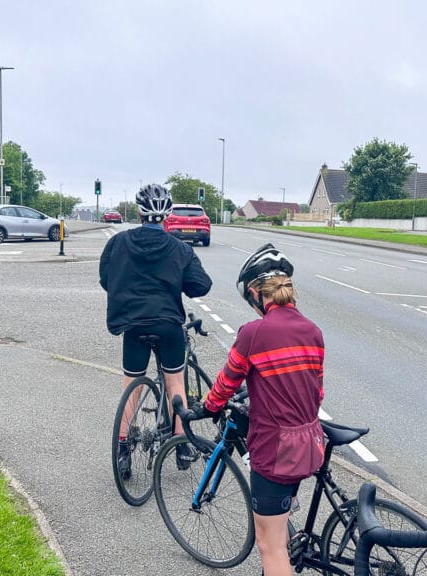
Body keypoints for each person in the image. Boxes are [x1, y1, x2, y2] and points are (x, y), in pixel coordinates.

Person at [185, 243, 325, 576]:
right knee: (280, 523)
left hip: (276, 451)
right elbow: (316, 392)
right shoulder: (313, 331)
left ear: (255, 293)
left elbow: (225, 386)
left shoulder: (253, 334)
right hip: (309, 443)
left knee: (270, 546)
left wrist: (205, 408)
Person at [100, 183, 212, 475]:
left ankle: (123, 448)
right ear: (168, 215)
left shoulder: (118, 242)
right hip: (168, 325)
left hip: (133, 325)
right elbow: (201, 285)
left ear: (138, 212)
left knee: (131, 384)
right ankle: (180, 446)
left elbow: (105, 278)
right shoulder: (179, 248)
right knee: (175, 382)